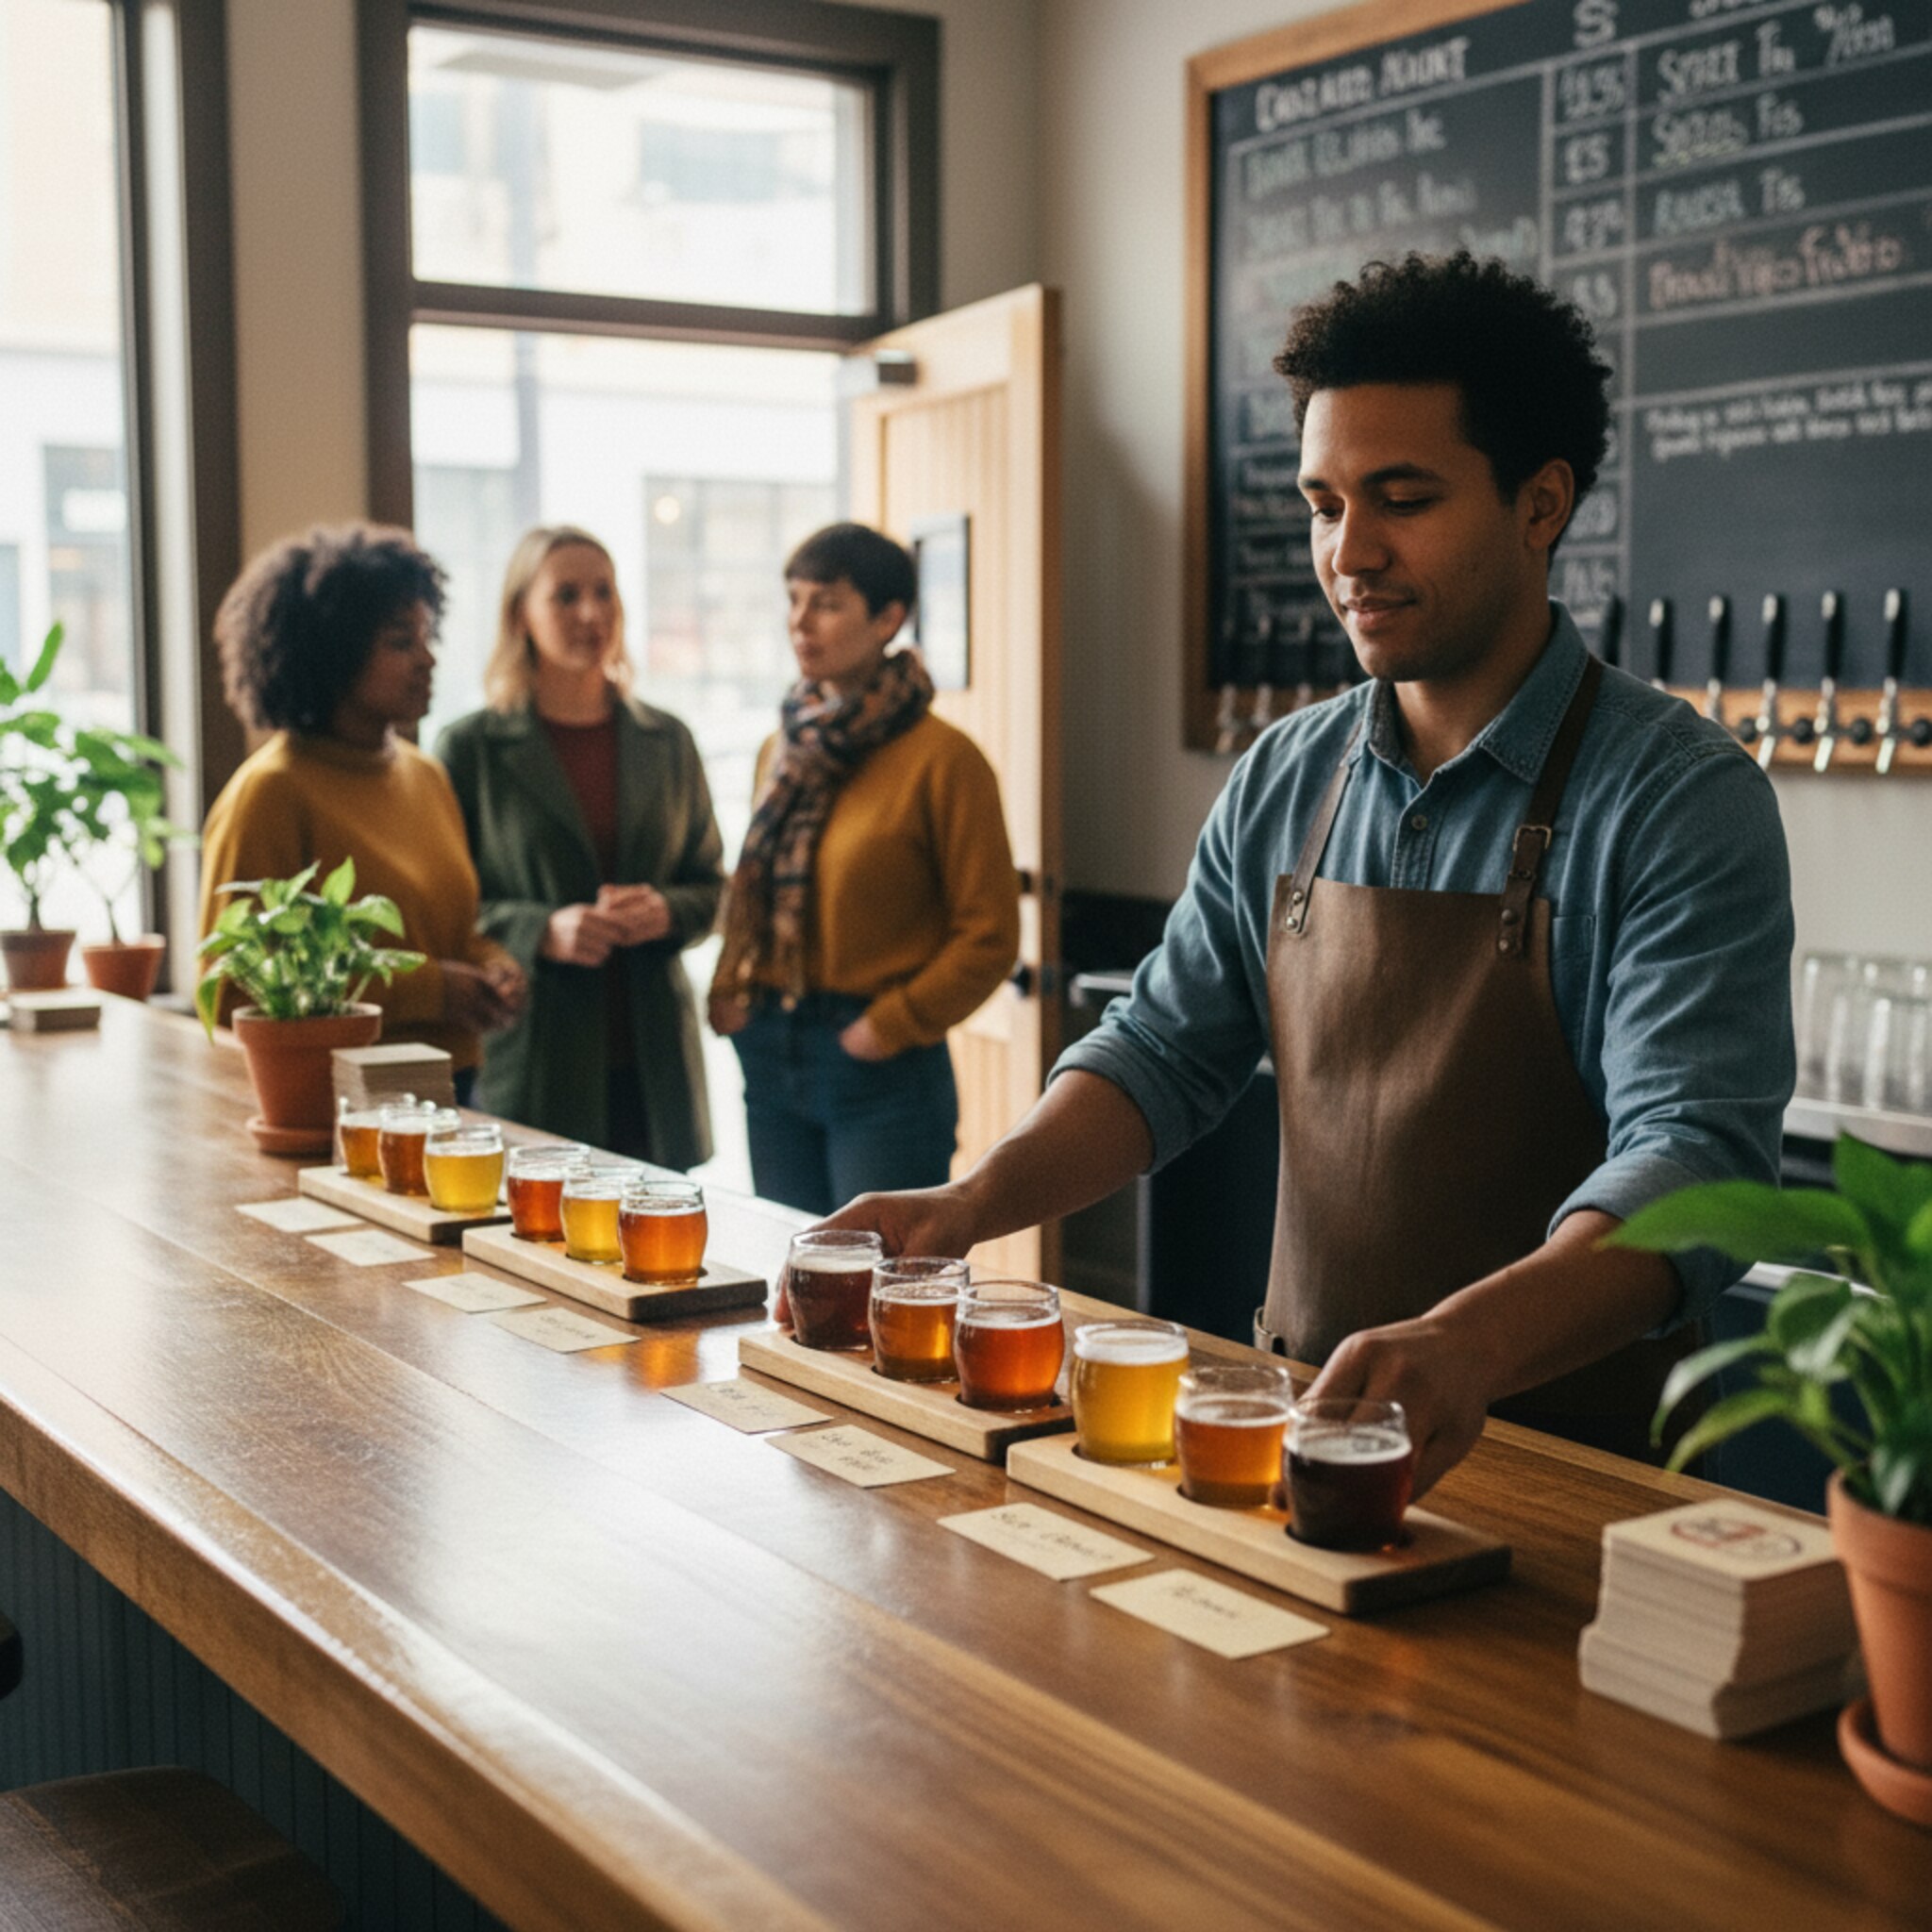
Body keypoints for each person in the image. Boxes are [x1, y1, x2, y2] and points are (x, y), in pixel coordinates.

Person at [824, 254, 1794, 1493]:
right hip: (1298, 1433)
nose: (1350, 553)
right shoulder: (1289, 772)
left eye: (1402, 498)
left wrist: (1467, 1343)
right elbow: (1164, 1054)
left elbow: (1696, 1163)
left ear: (1541, 503)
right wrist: (971, 1207)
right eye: (1326, 504)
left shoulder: (1678, 796)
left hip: (1575, 1466)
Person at [709, 523, 1021, 1215]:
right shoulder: (782, 747)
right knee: (793, 1281)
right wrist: (734, 987)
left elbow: (991, 935)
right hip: (771, 1048)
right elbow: (752, 888)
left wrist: (890, 1024)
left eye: (825, 602)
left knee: (881, 1288)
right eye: (793, 600)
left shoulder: (945, 760)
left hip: (877, 1068)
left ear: (888, 618)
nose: (800, 621)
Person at [435, 526, 724, 1168]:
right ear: (520, 615)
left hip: (655, 1070)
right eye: (565, 596)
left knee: (662, 1259)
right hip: (537, 1060)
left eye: (604, 593)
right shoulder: (469, 749)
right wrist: (540, 929)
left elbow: (711, 887)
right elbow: (445, 910)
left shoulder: (668, 741)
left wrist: (667, 912)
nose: (590, 613)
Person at [199, 524, 525, 1087]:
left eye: (428, 637)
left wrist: (491, 964)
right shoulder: (271, 793)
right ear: (332, 652)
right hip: (339, 1101)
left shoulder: (425, 776)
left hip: (451, 1083)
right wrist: (430, 989)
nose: (427, 660)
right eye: (400, 641)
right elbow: (232, 990)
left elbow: (443, 932)